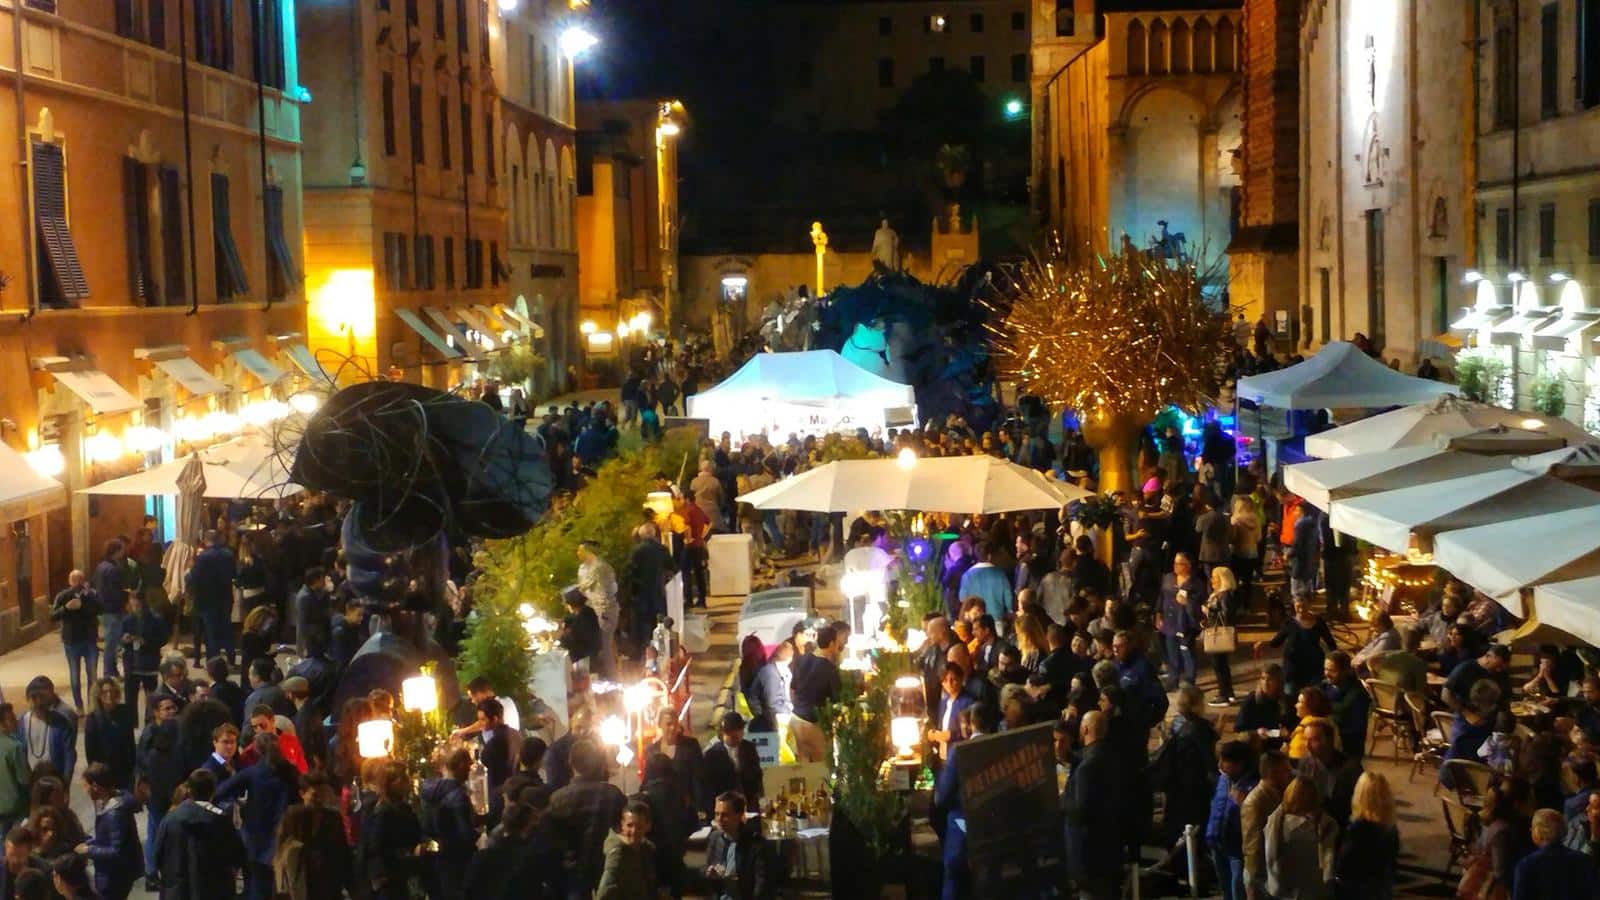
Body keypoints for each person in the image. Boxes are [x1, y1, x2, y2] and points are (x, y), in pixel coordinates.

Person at [217, 732, 299, 900]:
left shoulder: (253, 773)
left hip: (257, 835)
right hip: (286, 832)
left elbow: (221, 791)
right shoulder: (290, 771)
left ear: (257, 750)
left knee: (258, 885)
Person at [933, 701, 999, 900]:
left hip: (962, 829)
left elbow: (942, 796)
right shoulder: (1002, 748)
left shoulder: (960, 751)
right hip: (995, 829)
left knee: (954, 880)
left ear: (971, 722)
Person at [548, 739, 627, 896]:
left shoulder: (558, 798)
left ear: (571, 765)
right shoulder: (613, 794)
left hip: (572, 871)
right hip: (607, 867)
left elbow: (553, 840)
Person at [153, 769, 245, 900]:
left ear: (189, 790)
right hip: (214, 891)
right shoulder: (221, 821)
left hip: (177, 891)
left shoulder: (170, 819)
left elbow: (158, 856)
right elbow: (237, 856)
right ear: (213, 791)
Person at [1064, 710, 1125, 899]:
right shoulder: (1115, 757)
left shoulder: (1086, 768)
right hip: (1112, 849)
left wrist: (1061, 801)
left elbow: (1081, 810)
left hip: (1090, 856)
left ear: (1085, 729)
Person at [272, 771, 351, 900]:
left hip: (327, 882)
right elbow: (281, 850)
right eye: (314, 794)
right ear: (302, 794)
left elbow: (342, 851)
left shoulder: (333, 817)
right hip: (301, 879)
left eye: (322, 794)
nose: (319, 799)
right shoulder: (293, 816)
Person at [135, 694, 183, 891]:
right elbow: (143, 764)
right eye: (166, 709)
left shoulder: (175, 730)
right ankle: (151, 872)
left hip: (171, 791)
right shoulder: (150, 733)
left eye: (173, 708)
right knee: (155, 832)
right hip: (157, 793)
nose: (171, 712)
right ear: (156, 712)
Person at [1263, 776, 1337, 899]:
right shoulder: (1326, 825)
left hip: (1284, 891)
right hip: (1315, 892)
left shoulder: (1275, 824)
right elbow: (1328, 860)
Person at [79, 763, 141, 900]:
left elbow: (116, 850)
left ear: (95, 786)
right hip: (113, 875)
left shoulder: (115, 814)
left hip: (114, 878)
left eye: (86, 786)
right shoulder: (108, 805)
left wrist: (89, 850)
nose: (85, 791)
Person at [1334, 772, 1399, 900]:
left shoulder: (1359, 829)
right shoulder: (1390, 826)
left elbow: (1344, 866)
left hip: (1357, 891)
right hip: (1382, 889)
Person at [1255, 596, 1336, 695]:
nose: (1301, 610)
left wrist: (1335, 660)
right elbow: (1276, 642)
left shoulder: (1318, 622)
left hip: (1314, 667)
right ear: (1294, 606)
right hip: (1293, 669)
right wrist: (1263, 643)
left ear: (1309, 605)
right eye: (1298, 607)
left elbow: (1331, 643)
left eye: (1304, 606)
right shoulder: (1289, 623)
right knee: (1290, 695)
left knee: (1314, 696)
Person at [1207, 741, 1258, 900]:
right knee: (1226, 889)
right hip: (1218, 842)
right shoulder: (1223, 779)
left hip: (1238, 847)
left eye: (1225, 761)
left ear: (1240, 764)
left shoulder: (1253, 784)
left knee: (1238, 888)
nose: (1220, 765)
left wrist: (1244, 802)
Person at [1513, 808, 1593, 900]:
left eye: (1532, 827)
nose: (1530, 830)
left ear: (1537, 832)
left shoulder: (1526, 865)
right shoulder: (1584, 860)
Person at [704, 791, 771, 900]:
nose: (719, 819)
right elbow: (706, 868)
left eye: (725, 815)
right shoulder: (715, 838)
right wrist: (708, 873)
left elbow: (762, 884)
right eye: (717, 814)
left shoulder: (755, 844)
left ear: (739, 815)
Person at [1242, 750, 1291, 900]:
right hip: (1263, 876)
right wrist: (1255, 881)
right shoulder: (1255, 802)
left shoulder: (1280, 793)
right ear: (1272, 773)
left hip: (1276, 871)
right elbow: (1253, 844)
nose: (1290, 774)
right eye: (1285, 770)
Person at [51, 570, 102, 710]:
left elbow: (99, 609)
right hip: (73, 641)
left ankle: (89, 704)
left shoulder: (91, 595)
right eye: (75, 580)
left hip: (87, 639)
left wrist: (86, 600)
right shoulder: (63, 596)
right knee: (78, 675)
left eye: (79, 580)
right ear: (70, 581)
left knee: (90, 675)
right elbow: (53, 616)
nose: (77, 584)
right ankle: (81, 705)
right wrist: (66, 608)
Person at [644, 710, 705, 827]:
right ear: (660, 725)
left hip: (685, 808)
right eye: (668, 724)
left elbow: (698, 778)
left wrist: (699, 807)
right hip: (660, 809)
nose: (672, 728)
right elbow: (647, 780)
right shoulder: (651, 750)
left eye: (675, 724)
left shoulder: (690, 746)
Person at [185, 530, 237, 664]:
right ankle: (231, 657)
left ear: (206, 540)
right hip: (225, 597)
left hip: (206, 599)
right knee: (226, 627)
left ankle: (214, 662)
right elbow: (235, 574)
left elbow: (194, 578)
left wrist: (189, 573)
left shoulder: (203, 557)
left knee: (210, 632)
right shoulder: (228, 554)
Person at [20, 678, 77, 790]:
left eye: (41, 698)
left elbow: (69, 755)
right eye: (34, 698)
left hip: (55, 780)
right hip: (30, 782)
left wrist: (65, 785)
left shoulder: (61, 722)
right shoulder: (20, 723)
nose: (38, 702)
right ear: (28, 699)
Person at [118, 594, 169, 719]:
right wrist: (124, 639)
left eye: (138, 606)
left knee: (151, 697)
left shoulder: (156, 619)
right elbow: (120, 638)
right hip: (131, 662)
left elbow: (163, 638)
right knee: (130, 697)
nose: (135, 609)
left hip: (149, 662)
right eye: (133, 606)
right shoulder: (128, 620)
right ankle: (131, 724)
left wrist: (146, 641)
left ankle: (150, 722)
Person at [627, 521, 676, 649]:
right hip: (657, 590)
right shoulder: (661, 549)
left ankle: (646, 650)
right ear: (654, 534)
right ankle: (662, 648)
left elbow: (630, 571)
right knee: (660, 622)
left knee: (644, 623)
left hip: (641, 591)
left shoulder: (636, 550)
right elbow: (672, 567)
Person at [703, 713, 763, 817]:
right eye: (731, 733)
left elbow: (757, 775)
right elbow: (709, 786)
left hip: (749, 805)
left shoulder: (749, 748)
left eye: (739, 731)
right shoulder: (712, 755)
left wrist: (759, 796)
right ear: (723, 733)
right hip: (725, 808)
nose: (736, 736)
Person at [596, 799, 656, 900]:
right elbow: (605, 892)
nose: (634, 831)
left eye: (639, 827)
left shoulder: (646, 848)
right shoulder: (618, 852)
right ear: (622, 825)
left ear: (648, 826)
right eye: (629, 825)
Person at [576, 541, 620, 677]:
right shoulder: (595, 567)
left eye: (580, 550)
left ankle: (612, 679)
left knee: (605, 646)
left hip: (604, 610)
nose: (577, 553)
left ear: (588, 552)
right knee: (606, 645)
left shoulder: (598, 568)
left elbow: (582, 587)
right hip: (602, 610)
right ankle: (610, 675)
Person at [83, 680, 136, 791]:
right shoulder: (93, 719)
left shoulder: (125, 711)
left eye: (112, 691)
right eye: (105, 692)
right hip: (104, 772)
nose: (109, 695)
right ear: (98, 695)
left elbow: (130, 742)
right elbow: (90, 751)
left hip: (124, 769)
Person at [1322, 651, 1370, 760]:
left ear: (1346, 671)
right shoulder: (1326, 686)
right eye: (1326, 669)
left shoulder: (1357, 693)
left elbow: (1343, 710)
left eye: (1332, 670)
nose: (1327, 674)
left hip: (1348, 749)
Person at [1203, 565, 1240, 705]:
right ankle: (1228, 692)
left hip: (1218, 634)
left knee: (1218, 665)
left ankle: (1223, 694)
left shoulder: (1224, 595)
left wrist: (1209, 610)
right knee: (1223, 665)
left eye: (1214, 577)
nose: (1212, 580)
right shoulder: (1223, 594)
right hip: (1216, 630)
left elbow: (1225, 615)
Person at [476, 699, 516, 822]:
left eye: (483, 720)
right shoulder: (513, 733)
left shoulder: (495, 744)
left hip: (497, 796)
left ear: (495, 719)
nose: (480, 723)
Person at [1444, 644, 1513, 714]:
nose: (1499, 670)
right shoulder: (1465, 669)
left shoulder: (1501, 672)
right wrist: (1466, 714)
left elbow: (1506, 698)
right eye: (1498, 666)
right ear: (1488, 656)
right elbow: (1445, 695)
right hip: (1467, 718)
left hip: (1492, 719)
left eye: (1502, 668)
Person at [957, 542, 1014, 622]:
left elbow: (962, 598)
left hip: (975, 621)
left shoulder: (967, 575)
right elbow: (1008, 596)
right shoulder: (1000, 574)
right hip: (996, 618)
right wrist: (1010, 610)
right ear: (989, 556)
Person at [746, 641, 794, 734]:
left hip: (773, 708)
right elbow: (771, 703)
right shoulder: (771, 674)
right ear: (789, 658)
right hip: (764, 712)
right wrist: (788, 710)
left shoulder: (782, 670)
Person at [0, 704, 29, 837]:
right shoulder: (15, 747)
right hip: (14, 808)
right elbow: (24, 779)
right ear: (2, 724)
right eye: (12, 718)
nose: (16, 721)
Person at [559, 589, 602, 671]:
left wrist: (562, 636)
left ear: (571, 604)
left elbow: (571, 638)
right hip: (587, 654)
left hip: (586, 658)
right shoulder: (587, 611)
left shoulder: (583, 617)